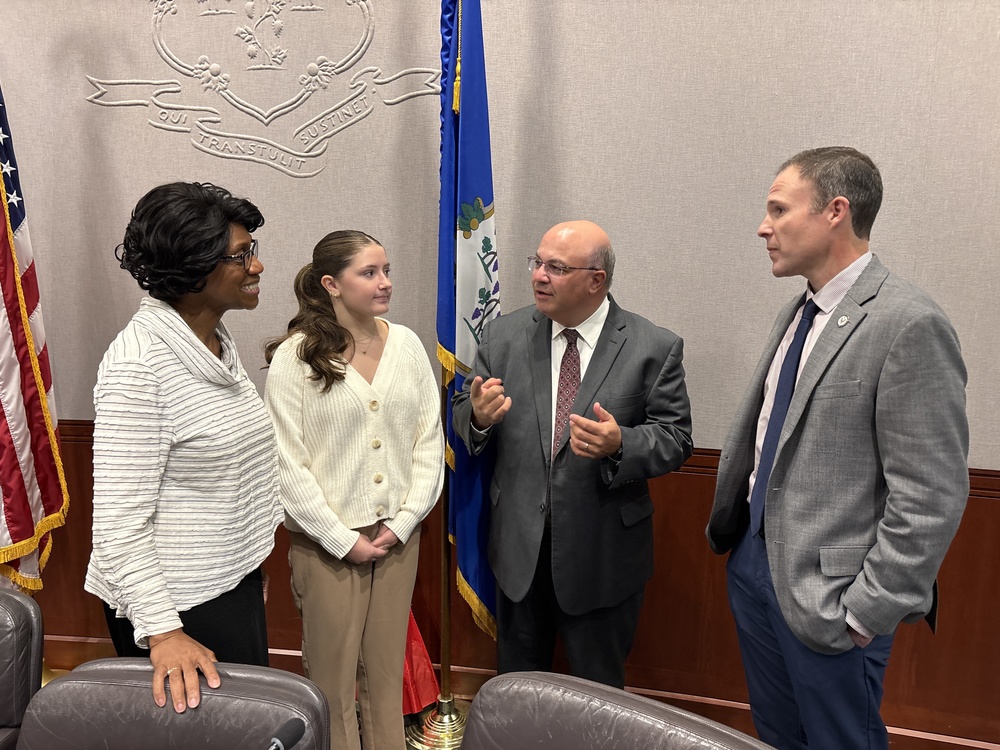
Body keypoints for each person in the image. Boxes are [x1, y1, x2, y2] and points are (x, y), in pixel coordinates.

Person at [707, 147, 969, 749]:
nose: (763, 226)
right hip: (753, 567)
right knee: (777, 735)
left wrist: (864, 612)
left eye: (778, 208)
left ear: (835, 211)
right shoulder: (798, 312)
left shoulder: (909, 323)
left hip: (832, 598)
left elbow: (930, 495)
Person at [452, 220, 693, 688]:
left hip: (601, 557)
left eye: (556, 267)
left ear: (595, 280)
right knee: (518, 694)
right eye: (537, 263)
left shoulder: (653, 347)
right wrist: (478, 417)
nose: (539, 276)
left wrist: (621, 443)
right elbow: (466, 411)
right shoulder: (503, 335)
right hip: (519, 554)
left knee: (597, 699)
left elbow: (676, 437)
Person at [85, 182, 282, 714]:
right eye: (241, 256)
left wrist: (246, 570)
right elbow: (118, 524)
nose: (257, 267)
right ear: (194, 270)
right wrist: (163, 632)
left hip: (224, 583)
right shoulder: (139, 364)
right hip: (173, 608)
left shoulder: (213, 342)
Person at [263, 230, 443, 750]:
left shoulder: (406, 345)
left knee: (387, 678)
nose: (384, 283)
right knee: (332, 683)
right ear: (331, 284)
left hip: (395, 541)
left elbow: (427, 443)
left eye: (386, 270)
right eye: (369, 273)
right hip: (326, 547)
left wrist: (402, 524)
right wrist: (342, 538)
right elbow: (286, 461)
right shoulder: (296, 357)